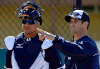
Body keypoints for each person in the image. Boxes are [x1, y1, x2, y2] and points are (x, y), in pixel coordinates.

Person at [4, 1, 63, 69]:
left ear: (38, 24)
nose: (26, 24)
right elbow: (8, 67)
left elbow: (58, 67)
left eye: (30, 22)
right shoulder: (12, 43)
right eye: (24, 21)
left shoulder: (47, 43)